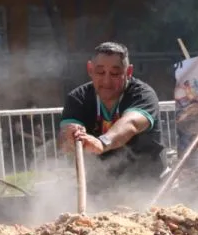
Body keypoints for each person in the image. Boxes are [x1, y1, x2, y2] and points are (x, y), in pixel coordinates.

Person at [59, 42, 164, 194]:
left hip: (146, 184)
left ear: (128, 71)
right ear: (90, 69)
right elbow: (64, 136)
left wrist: (102, 142)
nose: (106, 81)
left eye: (115, 74)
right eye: (100, 72)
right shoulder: (78, 98)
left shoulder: (142, 95)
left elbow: (131, 124)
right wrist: (69, 137)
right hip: (99, 185)